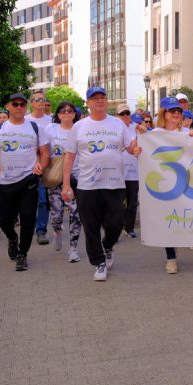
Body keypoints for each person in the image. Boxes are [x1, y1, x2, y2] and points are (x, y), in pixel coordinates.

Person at [60, 87, 140, 282]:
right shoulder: (79, 127)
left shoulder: (118, 123)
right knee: (91, 226)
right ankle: (99, 262)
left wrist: (138, 142)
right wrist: (66, 185)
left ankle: (108, 246)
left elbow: (130, 148)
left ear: (107, 101)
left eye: (102, 97)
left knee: (116, 223)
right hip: (87, 186)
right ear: (88, 103)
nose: (99, 101)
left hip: (115, 184)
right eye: (94, 98)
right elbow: (69, 157)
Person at [0, 92, 49, 272]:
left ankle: (22, 253)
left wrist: (41, 166)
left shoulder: (35, 128)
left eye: (22, 104)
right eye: (15, 104)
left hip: (29, 179)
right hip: (6, 182)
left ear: (26, 106)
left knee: (28, 218)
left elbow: (45, 152)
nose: (19, 107)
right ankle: (12, 238)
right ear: (8, 106)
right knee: (4, 219)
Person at [146, 96, 193, 273]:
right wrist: (137, 150)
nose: (176, 113)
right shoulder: (153, 135)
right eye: (172, 111)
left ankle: (182, 240)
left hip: (186, 182)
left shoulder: (187, 132)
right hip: (163, 185)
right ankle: (171, 258)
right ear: (164, 113)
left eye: (178, 111)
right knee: (167, 218)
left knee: (185, 215)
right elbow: (140, 150)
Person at [45, 102, 83, 260]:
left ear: (74, 114)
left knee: (76, 214)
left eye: (70, 110)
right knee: (56, 215)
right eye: (63, 110)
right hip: (57, 176)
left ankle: (73, 248)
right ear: (58, 114)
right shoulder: (51, 129)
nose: (66, 113)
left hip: (77, 176)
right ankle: (57, 230)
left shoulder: (80, 129)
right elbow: (43, 150)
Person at [27, 93, 54, 244]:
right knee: (28, 200)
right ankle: (28, 227)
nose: (41, 102)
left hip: (46, 167)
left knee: (43, 200)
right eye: (37, 99)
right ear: (31, 103)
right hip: (28, 167)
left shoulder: (51, 121)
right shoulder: (25, 120)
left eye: (43, 99)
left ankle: (41, 230)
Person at [116, 103, 140, 239]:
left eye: (127, 113)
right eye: (122, 114)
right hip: (117, 173)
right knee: (118, 204)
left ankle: (129, 227)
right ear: (117, 116)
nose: (125, 116)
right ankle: (116, 229)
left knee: (132, 203)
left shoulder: (136, 128)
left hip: (133, 172)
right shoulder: (113, 128)